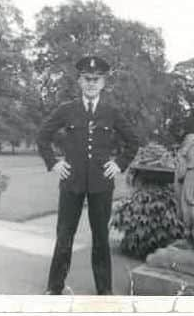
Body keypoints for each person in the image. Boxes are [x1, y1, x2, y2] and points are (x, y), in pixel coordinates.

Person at [37, 56, 139, 295]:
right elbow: (42, 136)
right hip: (71, 182)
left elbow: (133, 141)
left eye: (96, 79)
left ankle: (104, 291)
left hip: (101, 184)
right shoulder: (66, 110)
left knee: (101, 238)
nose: (91, 83)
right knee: (64, 236)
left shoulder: (111, 112)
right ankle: (54, 288)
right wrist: (54, 163)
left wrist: (119, 164)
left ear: (103, 82)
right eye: (87, 79)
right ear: (80, 81)